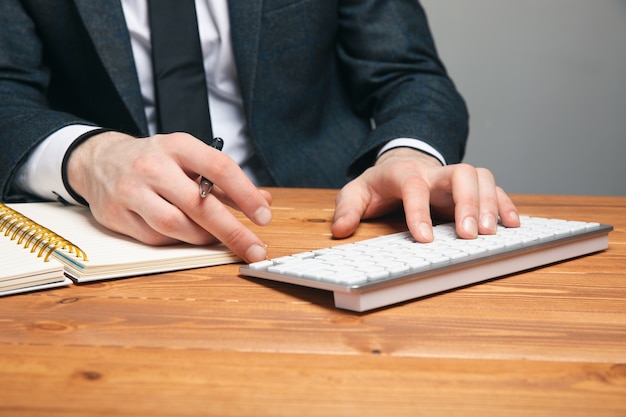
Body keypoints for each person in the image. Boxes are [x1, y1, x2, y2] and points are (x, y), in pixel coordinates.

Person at [0, 0, 519, 264]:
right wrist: (88, 158)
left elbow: (409, 74)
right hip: (117, 236)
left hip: (324, 225)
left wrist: (408, 154)